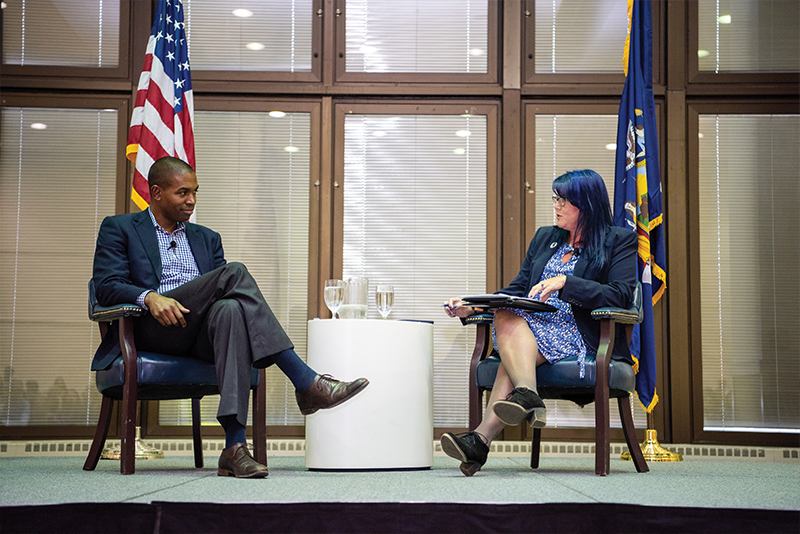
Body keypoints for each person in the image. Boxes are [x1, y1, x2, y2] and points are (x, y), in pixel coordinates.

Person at [92, 156, 368, 479]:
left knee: (231, 311)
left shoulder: (207, 238)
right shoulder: (120, 228)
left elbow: (221, 296)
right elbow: (106, 287)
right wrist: (150, 297)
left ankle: (234, 448)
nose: (191, 200)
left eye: (195, 192)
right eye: (182, 193)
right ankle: (306, 381)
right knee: (234, 273)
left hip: (198, 335)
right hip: (151, 329)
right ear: (156, 193)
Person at [440, 169, 636, 476]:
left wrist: (565, 282)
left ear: (587, 204)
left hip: (580, 333)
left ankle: (487, 432)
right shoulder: (546, 237)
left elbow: (620, 294)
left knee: (510, 354)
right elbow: (516, 290)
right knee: (507, 313)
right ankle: (523, 397)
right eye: (555, 199)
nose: (556, 206)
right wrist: (472, 306)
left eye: (563, 200)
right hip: (533, 326)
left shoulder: (618, 240)